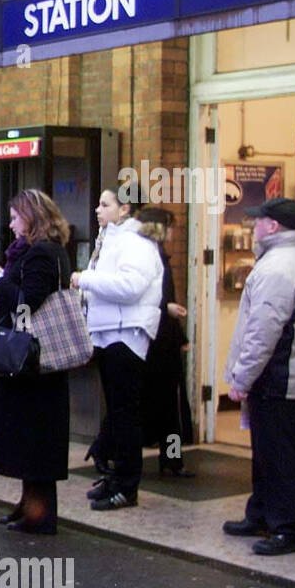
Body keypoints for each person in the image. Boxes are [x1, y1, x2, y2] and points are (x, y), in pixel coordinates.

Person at [220, 198, 295, 556]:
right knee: (267, 450)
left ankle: (288, 527)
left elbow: (264, 331)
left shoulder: (279, 267)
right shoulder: (289, 258)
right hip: (279, 374)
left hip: (277, 376)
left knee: (279, 453)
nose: (254, 226)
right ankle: (261, 513)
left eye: (259, 221)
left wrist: (241, 378)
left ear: (273, 226)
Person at [0, 189, 72, 535]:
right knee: (27, 437)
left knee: (35, 439)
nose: (10, 223)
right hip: (30, 360)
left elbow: (26, 302)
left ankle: (40, 513)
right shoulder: (39, 252)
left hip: (35, 361)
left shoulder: (43, 254)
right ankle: (28, 504)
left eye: (16, 217)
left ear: (32, 218)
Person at [71, 186, 164, 510]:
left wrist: (86, 280)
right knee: (117, 413)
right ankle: (115, 476)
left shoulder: (135, 242)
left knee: (126, 416)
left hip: (126, 334)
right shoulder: (112, 239)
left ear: (124, 209)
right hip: (109, 332)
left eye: (105, 204)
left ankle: (127, 485)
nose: (97, 209)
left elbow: (130, 286)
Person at [136, 206, 195, 477]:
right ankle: (171, 459)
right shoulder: (153, 257)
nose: (173, 233)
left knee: (159, 403)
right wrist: (167, 310)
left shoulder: (156, 255)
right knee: (168, 404)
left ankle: (172, 459)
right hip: (158, 339)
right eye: (170, 227)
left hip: (158, 338)